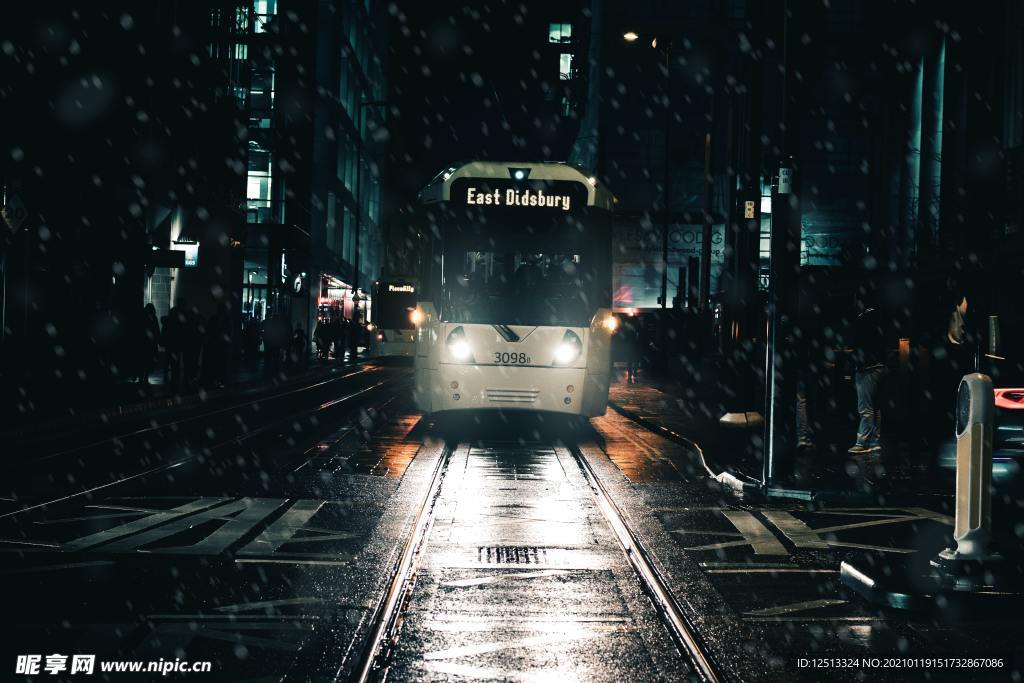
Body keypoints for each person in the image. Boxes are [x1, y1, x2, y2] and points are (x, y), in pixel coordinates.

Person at [849, 298, 886, 455]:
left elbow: (858, 344)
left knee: (865, 407)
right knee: (875, 406)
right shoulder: (878, 317)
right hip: (878, 365)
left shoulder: (863, 319)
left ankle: (863, 442)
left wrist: (857, 362)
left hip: (868, 367)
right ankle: (874, 440)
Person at [137, 304, 161, 384]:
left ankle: (140, 377)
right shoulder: (154, 318)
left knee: (141, 361)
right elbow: (157, 331)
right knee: (148, 361)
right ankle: (146, 378)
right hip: (151, 344)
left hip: (142, 344)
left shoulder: (142, 318)